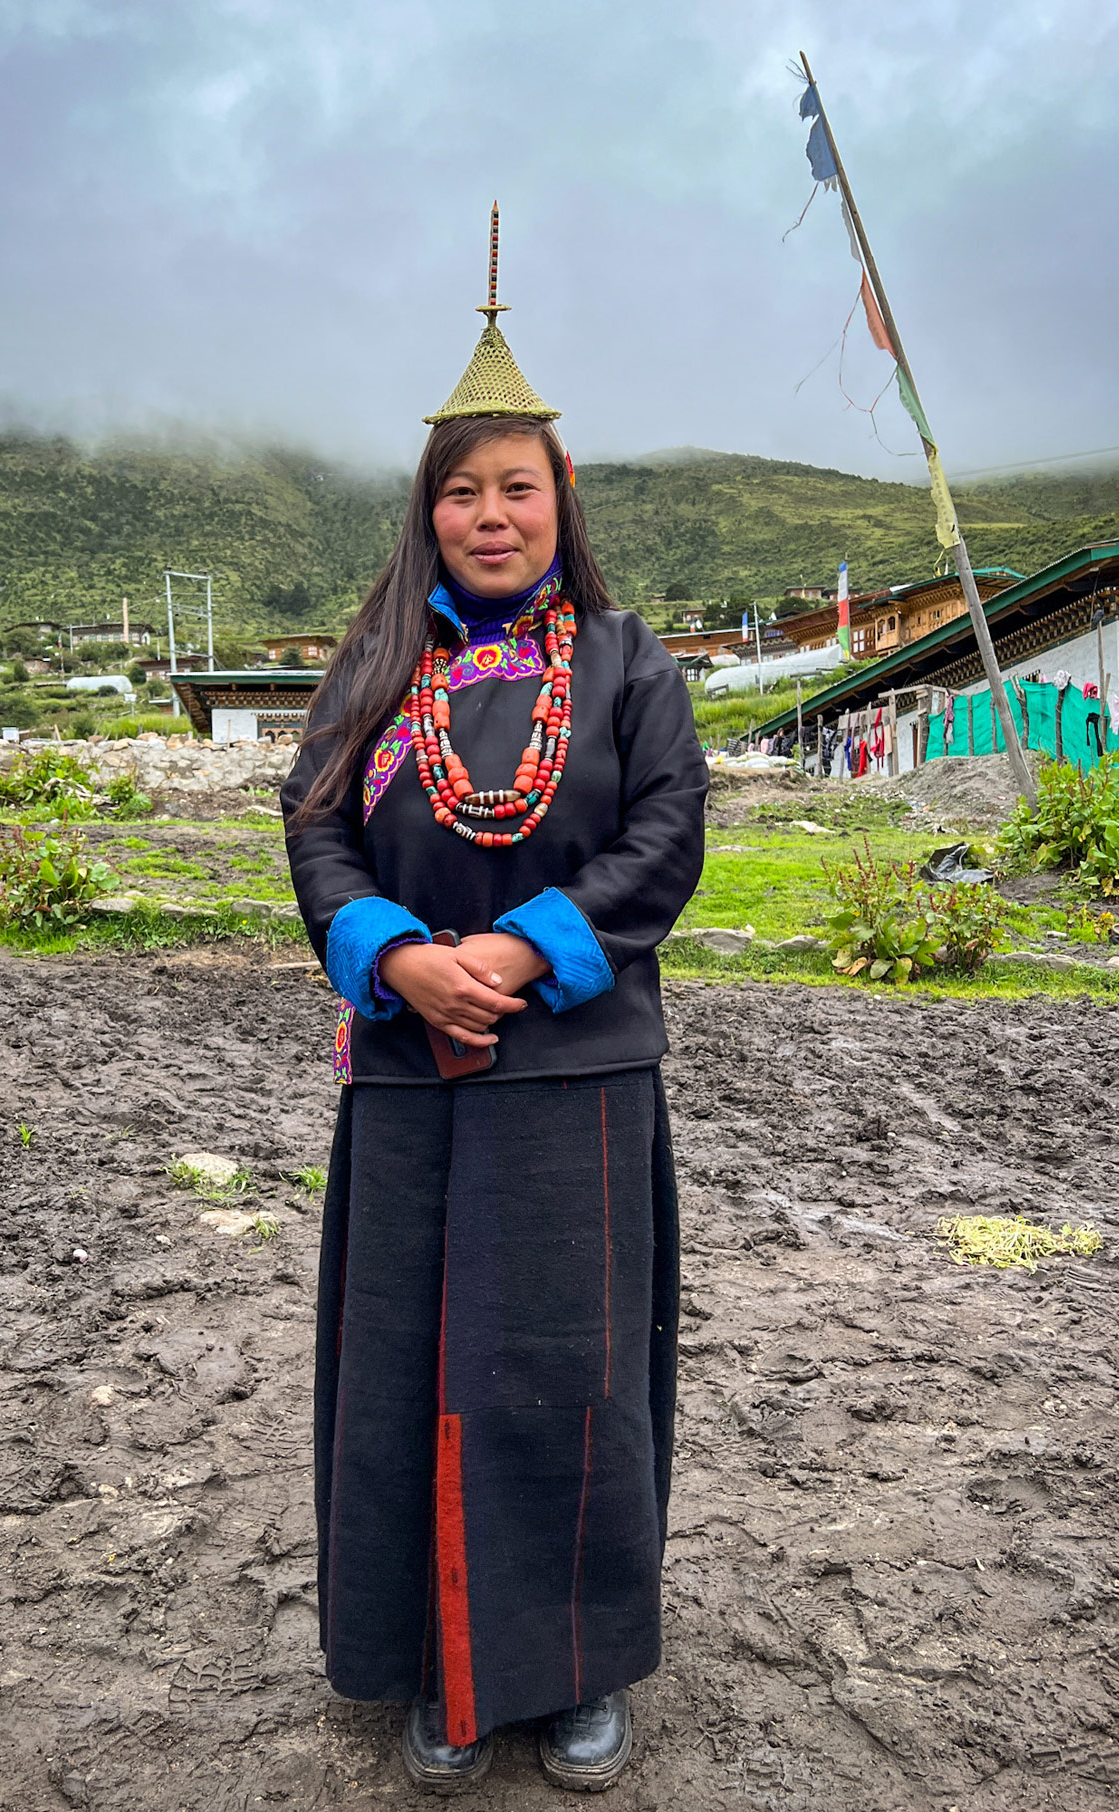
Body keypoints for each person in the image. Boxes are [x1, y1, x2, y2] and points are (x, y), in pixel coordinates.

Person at [281, 215, 707, 1795]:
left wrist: (515, 958)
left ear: (561, 494)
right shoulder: (374, 665)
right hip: (405, 1072)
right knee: (407, 1369)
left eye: (515, 485)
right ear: (427, 508)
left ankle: (575, 1669)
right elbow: (315, 823)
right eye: (460, 489)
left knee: (565, 1374)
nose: (488, 513)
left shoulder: (627, 664)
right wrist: (398, 957)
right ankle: (436, 1672)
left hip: (576, 1075)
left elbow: (667, 839)